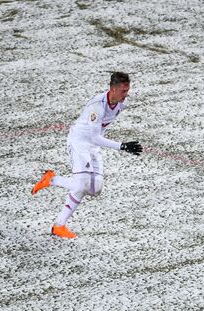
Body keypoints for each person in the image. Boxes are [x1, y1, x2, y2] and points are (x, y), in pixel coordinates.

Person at [32, 72, 142, 238]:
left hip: (93, 144)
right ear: (112, 90)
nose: (126, 94)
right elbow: (94, 137)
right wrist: (123, 146)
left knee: (95, 188)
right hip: (79, 143)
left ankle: (52, 180)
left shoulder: (121, 103)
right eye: (123, 91)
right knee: (82, 185)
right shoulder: (96, 107)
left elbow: (96, 138)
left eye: (127, 90)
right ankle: (59, 225)